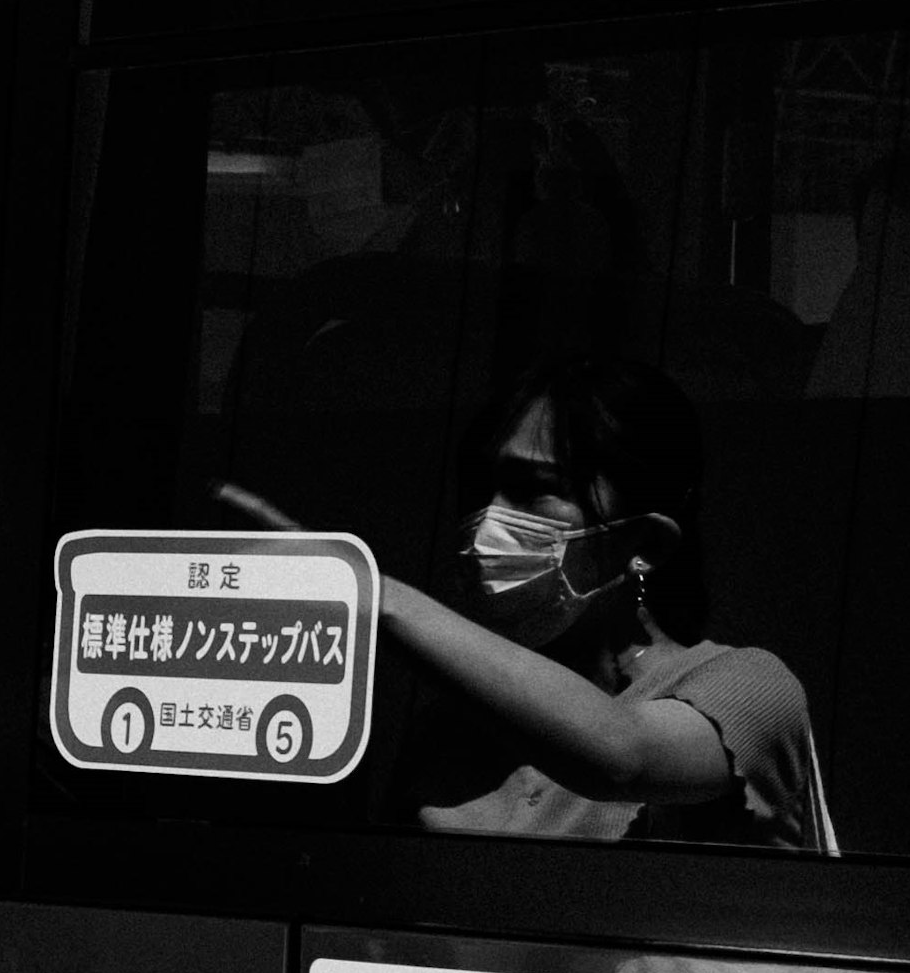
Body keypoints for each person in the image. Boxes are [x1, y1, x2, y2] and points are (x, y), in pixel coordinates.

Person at [239, 358, 832, 851]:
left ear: (643, 545)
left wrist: (367, 592)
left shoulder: (748, 687)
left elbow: (621, 755)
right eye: (480, 492)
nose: (486, 524)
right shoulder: (446, 734)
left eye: (533, 491)